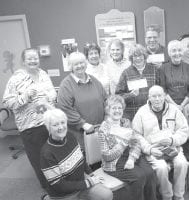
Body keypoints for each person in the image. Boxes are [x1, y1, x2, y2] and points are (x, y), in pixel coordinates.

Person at [2, 48, 57, 188]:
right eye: (30, 58)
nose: (33, 61)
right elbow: (7, 102)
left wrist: (50, 98)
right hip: (30, 126)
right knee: (39, 158)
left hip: (48, 121)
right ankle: (48, 186)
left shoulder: (43, 74)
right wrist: (25, 96)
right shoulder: (16, 78)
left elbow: (52, 92)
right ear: (23, 61)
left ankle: (57, 180)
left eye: (35, 58)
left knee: (52, 154)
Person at [40, 108, 113, 200]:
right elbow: (59, 185)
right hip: (64, 194)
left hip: (81, 183)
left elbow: (81, 159)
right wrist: (88, 182)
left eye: (63, 123)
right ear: (48, 128)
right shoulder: (47, 153)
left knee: (106, 194)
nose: (61, 127)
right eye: (55, 125)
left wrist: (91, 175)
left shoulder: (70, 136)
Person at [132, 85, 189, 200]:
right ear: (149, 97)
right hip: (153, 150)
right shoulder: (141, 112)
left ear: (164, 96)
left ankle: (178, 196)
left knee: (182, 163)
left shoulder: (174, 110)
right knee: (162, 168)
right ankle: (167, 196)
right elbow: (136, 135)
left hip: (173, 147)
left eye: (160, 96)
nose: (157, 99)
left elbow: (184, 130)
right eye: (154, 96)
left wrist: (173, 140)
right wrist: (149, 149)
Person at [97, 95, 157, 200]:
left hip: (130, 156)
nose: (117, 111)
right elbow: (107, 156)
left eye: (119, 108)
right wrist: (123, 142)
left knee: (150, 173)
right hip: (114, 163)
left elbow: (136, 143)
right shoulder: (104, 129)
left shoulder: (126, 122)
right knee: (139, 177)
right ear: (108, 110)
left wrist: (131, 158)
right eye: (114, 108)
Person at [57, 52, 107, 149]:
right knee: (85, 159)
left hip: (100, 129)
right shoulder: (66, 85)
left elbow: (105, 99)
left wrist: (107, 118)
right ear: (71, 67)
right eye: (76, 64)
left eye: (82, 63)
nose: (80, 66)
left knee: (100, 158)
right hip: (80, 134)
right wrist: (82, 124)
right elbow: (65, 108)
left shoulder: (94, 80)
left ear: (86, 63)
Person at [115, 44, 159, 121]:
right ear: (131, 58)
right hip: (132, 115)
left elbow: (161, 90)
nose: (138, 58)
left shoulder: (154, 70)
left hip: (152, 113)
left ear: (144, 56)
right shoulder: (126, 73)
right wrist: (130, 95)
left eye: (140, 55)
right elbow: (118, 97)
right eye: (135, 56)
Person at [160, 40, 189, 111]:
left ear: (183, 52)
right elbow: (163, 90)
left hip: (187, 106)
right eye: (174, 51)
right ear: (169, 53)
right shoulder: (163, 68)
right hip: (169, 106)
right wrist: (175, 106)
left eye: (179, 50)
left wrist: (182, 106)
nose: (177, 53)